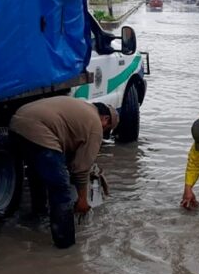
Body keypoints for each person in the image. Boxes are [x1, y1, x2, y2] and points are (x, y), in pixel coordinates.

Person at [10, 96, 118, 248]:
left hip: (16, 123)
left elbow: (69, 152)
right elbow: (81, 168)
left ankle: (36, 219)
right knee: (61, 190)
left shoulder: (81, 108)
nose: (103, 133)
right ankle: (65, 246)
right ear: (105, 119)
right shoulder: (96, 126)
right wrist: (82, 200)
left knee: (37, 175)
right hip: (39, 130)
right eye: (106, 129)